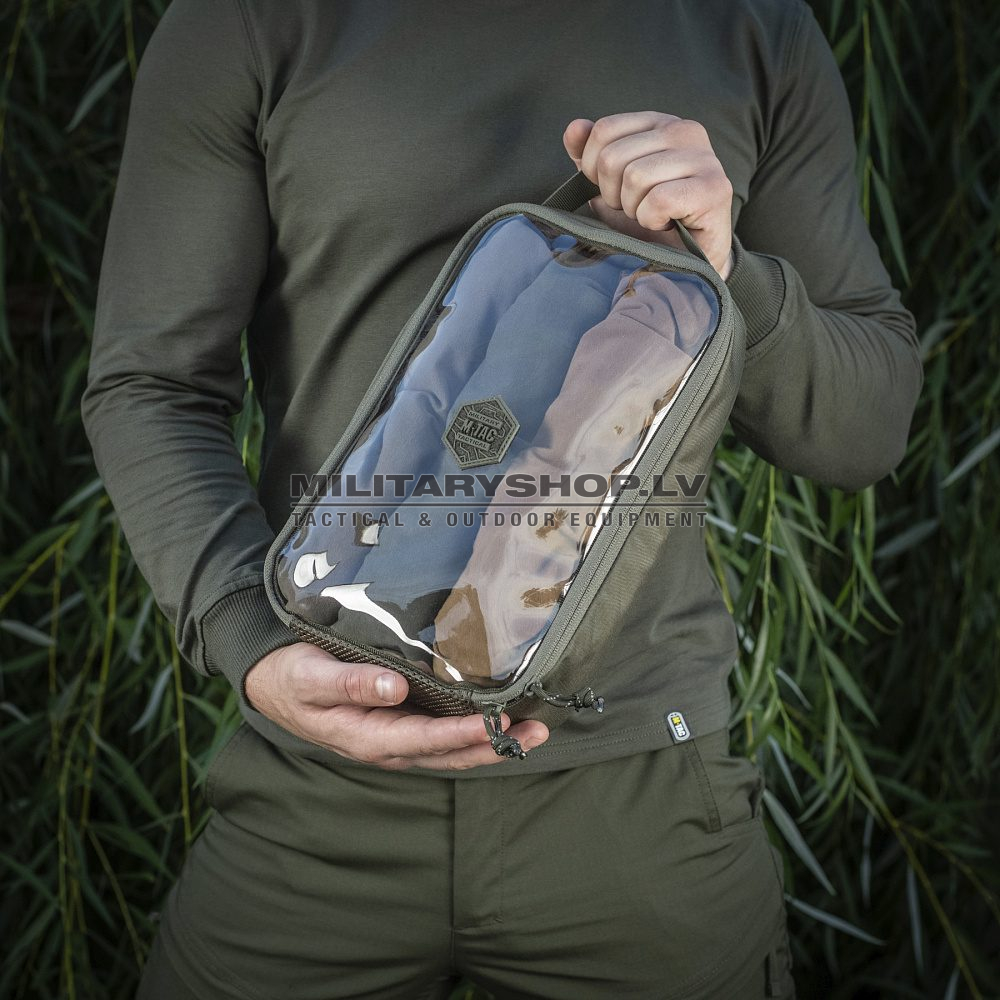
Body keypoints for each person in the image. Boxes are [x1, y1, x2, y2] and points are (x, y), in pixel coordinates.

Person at [81, 1, 922, 997]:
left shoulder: (750, 27)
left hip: (639, 796)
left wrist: (727, 270)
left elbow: (866, 428)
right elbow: (151, 383)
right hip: (317, 780)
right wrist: (248, 638)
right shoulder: (247, 21)